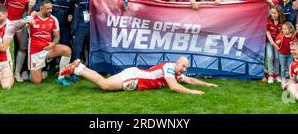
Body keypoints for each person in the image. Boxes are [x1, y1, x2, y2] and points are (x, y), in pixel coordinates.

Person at [59, 56, 218, 94]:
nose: (184, 69)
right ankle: (76, 70)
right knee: (105, 85)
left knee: (105, 82)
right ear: (177, 63)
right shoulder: (170, 68)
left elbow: (188, 79)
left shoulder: (175, 71)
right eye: (183, 66)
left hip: (136, 76)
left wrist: (206, 84)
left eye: (186, 67)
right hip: (135, 77)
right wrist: (193, 92)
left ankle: (79, 67)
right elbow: (174, 87)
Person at [15, 0, 72, 84]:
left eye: (51, 8)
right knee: (37, 81)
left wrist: (53, 44)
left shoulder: (53, 19)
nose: (50, 10)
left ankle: (61, 77)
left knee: (67, 50)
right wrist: (25, 21)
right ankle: (31, 72)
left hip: (48, 49)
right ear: (41, 8)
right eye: (48, 9)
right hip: (35, 52)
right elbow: (17, 26)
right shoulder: (32, 17)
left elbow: (57, 37)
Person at [4, 0, 37, 83]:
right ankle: (2, 71)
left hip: (19, 22)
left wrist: (30, 9)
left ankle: (17, 72)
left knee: (22, 47)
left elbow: (29, 13)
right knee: (3, 46)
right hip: (6, 21)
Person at [69, 0, 92, 83]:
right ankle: (74, 72)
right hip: (79, 24)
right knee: (77, 48)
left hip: (92, 25)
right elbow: (71, 0)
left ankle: (89, 69)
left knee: (91, 48)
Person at [274, 22, 297, 89]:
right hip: (282, 54)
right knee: (283, 67)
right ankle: (283, 79)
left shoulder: (292, 36)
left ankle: (291, 79)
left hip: (289, 54)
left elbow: (296, 43)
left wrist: (293, 43)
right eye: (283, 29)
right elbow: (277, 40)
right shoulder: (281, 35)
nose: (283, 30)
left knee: (290, 67)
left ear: (290, 30)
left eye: (285, 29)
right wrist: (277, 42)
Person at [266, 5, 285, 84]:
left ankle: (277, 75)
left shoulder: (282, 22)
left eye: (275, 13)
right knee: (270, 56)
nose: (273, 15)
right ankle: (270, 75)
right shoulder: (268, 20)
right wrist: (273, 43)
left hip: (278, 42)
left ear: (279, 14)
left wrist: (278, 41)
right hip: (270, 42)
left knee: (277, 58)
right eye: (271, 13)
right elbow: (267, 32)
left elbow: (282, 33)